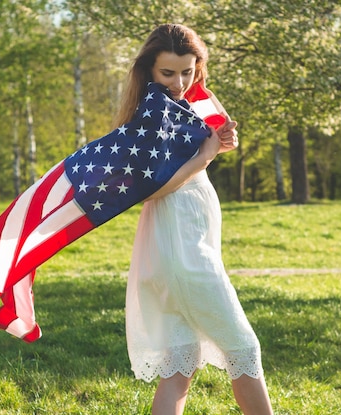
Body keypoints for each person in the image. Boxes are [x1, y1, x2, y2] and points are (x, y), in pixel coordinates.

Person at [115, 24, 274, 415]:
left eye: (187, 71)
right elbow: (148, 188)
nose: (179, 82)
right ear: (149, 70)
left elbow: (207, 135)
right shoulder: (151, 115)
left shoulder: (182, 103)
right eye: (168, 73)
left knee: (180, 365)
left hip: (182, 243)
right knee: (244, 347)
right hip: (181, 250)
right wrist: (205, 156)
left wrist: (220, 141)